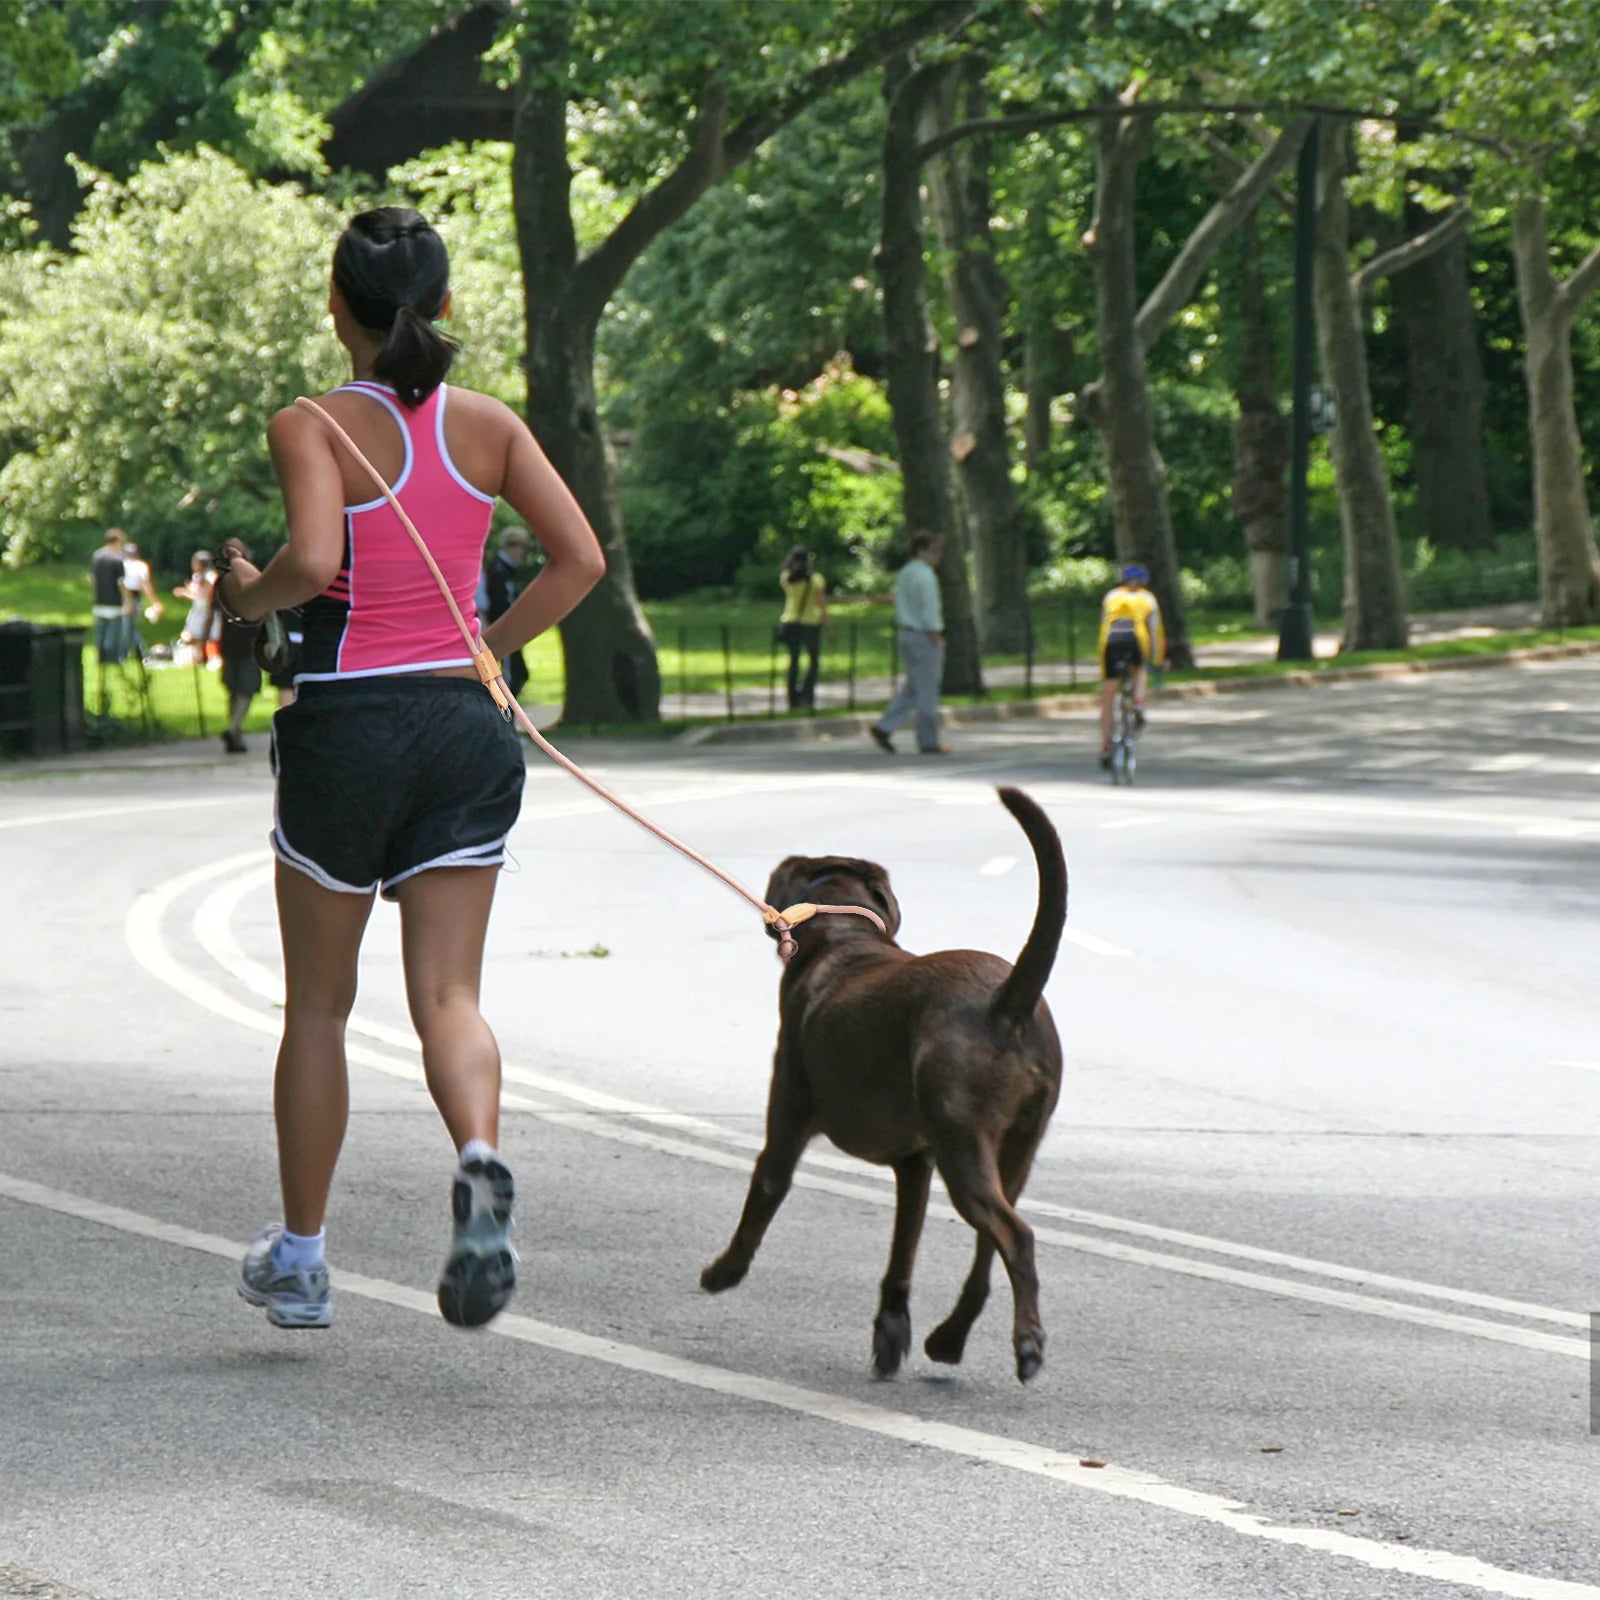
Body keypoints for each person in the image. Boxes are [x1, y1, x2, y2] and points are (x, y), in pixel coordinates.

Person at [215, 206, 605, 1333]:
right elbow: (579, 559)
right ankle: (480, 1155)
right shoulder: (487, 424)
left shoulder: (311, 424)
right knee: (450, 995)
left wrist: (246, 594)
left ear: (336, 304)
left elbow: (317, 564)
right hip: (460, 724)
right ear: (437, 307)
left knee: (321, 1009)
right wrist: (495, 646)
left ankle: (300, 1259)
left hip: (346, 729)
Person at [870, 532, 950, 756]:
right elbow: (929, 607)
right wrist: (935, 632)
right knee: (927, 690)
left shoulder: (905, 572)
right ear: (921, 551)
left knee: (913, 687)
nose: (938, 555)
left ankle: (884, 727)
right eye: (934, 550)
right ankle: (928, 741)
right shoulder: (926, 576)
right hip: (924, 634)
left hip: (906, 633)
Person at [1098, 562, 1165, 770]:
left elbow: (1104, 623)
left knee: (1108, 698)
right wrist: (1157, 660)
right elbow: (1156, 632)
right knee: (1140, 669)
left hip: (1110, 641)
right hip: (1136, 639)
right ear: (1144, 583)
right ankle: (1137, 703)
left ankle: (1105, 747)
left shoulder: (1111, 596)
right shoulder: (1148, 598)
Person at [215, 538, 262, 754]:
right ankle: (234, 727)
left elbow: (211, 613)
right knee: (245, 688)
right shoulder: (251, 576)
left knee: (235, 689)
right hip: (248, 640)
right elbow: (266, 607)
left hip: (233, 639)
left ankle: (235, 732)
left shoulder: (221, 580)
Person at [477, 524, 531, 699]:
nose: (520, 550)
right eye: (516, 544)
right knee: (509, 676)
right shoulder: (498, 570)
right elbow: (495, 604)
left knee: (518, 673)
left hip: (508, 630)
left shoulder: (506, 570)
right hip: (501, 630)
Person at [776, 544, 827, 711]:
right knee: (813, 661)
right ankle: (807, 695)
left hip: (790, 621)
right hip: (810, 622)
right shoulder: (815, 579)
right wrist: (828, 622)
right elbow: (820, 602)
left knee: (794, 662)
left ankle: (792, 699)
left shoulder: (786, 577)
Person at [88, 528, 128, 667]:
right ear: (116, 541)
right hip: (114, 601)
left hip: (99, 600)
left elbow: (93, 580)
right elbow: (121, 583)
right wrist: (127, 601)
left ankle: (100, 657)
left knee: (100, 632)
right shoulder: (118, 559)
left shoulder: (97, 556)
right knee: (113, 633)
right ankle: (112, 659)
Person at [120, 541, 162, 662]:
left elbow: (145, 584)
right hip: (133, 596)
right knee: (129, 627)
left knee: (127, 627)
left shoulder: (124, 565)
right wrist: (154, 601)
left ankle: (126, 654)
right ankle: (140, 652)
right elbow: (146, 586)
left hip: (126, 596)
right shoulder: (141, 565)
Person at [172, 551, 217, 666]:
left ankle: (207, 657)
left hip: (206, 611)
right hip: (198, 610)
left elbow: (207, 594)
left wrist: (185, 593)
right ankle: (199, 657)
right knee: (192, 636)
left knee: (204, 636)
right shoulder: (197, 576)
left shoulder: (210, 576)